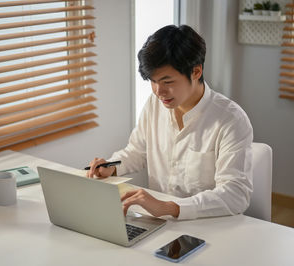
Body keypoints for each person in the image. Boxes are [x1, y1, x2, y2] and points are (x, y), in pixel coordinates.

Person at [86, 25, 253, 220]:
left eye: (167, 82)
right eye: (153, 81)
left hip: (209, 226)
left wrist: (169, 207)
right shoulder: (154, 104)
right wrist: (112, 166)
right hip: (159, 223)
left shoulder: (230, 120)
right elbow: (136, 151)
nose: (158, 91)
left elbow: (236, 195)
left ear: (196, 71)